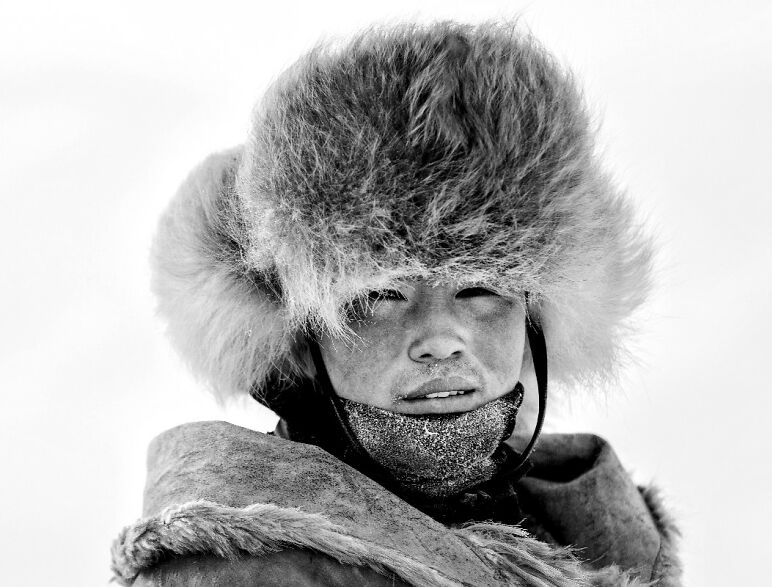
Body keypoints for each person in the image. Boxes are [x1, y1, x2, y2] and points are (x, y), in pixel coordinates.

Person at [111, 20, 681, 586]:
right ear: (301, 340)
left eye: (482, 287)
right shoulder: (239, 574)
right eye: (382, 294)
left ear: (535, 319)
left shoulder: (595, 536)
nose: (439, 338)